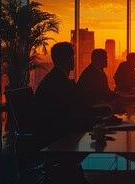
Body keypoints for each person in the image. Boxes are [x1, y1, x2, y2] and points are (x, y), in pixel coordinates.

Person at [34, 42, 97, 184]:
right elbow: (72, 114)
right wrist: (98, 122)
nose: (74, 60)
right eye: (72, 57)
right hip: (58, 136)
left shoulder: (56, 79)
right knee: (100, 137)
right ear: (68, 59)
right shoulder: (59, 82)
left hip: (53, 132)